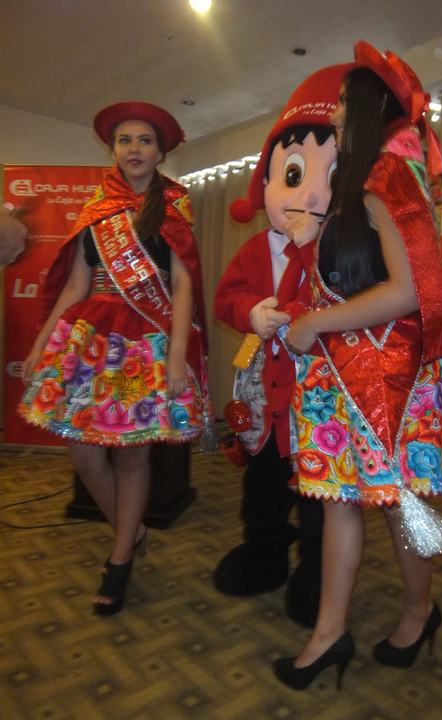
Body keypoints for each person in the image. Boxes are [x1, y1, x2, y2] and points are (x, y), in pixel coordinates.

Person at [273, 41, 442, 690]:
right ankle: (329, 634)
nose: (336, 113)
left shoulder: (389, 178)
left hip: (387, 382)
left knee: (399, 508)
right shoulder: (359, 185)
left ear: (372, 108)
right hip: (348, 377)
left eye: (345, 102)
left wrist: (316, 323)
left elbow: (409, 293)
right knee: (340, 505)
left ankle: (421, 611)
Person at [18, 101, 209, 615]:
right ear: (113, 150)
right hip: (92, 341)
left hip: (144, 345)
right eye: (125, 140)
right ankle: (133, 529)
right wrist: (41, 343)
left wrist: (176, 355)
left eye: (145, 140)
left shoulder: (175, 205)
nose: (134, 149)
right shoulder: (97, 207)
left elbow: (184, 285)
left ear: (160, 152)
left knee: (131, 454)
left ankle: (120, 557)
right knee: (84, 454)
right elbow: (76, 284)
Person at [214, 63, 352, 627]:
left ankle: (317, 569)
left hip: (320, 404)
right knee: (264, 481)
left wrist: (310, 251)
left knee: (319, 495)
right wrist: (251, 310)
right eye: (293, 175)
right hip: (266, 402)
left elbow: (347, 307)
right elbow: (226, 297)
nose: (309, 193)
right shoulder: (254, 250)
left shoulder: (340, 249)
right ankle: (265, 549)